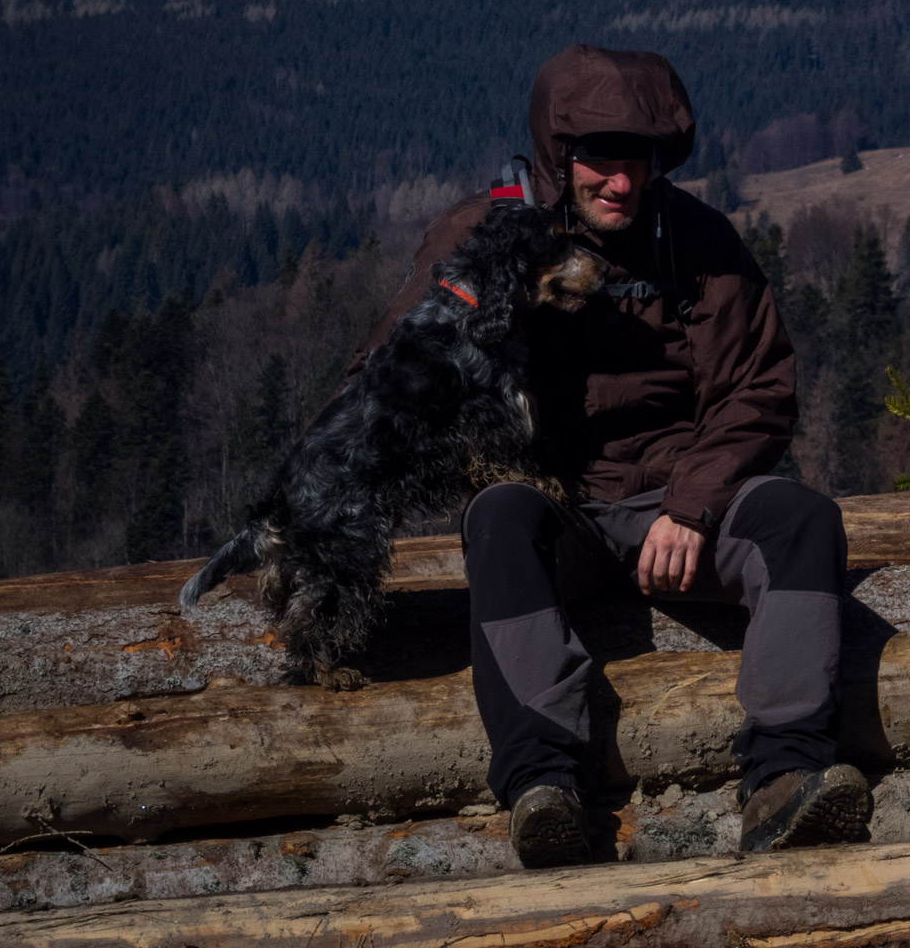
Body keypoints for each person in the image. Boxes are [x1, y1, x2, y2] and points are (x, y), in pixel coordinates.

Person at [357, 44, 870, 866]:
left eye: (636, 162)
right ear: (559, 156)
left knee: (804, 518)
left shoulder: (698, 244)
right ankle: (542, 787)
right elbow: (391, 368)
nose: (620, 182)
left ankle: (784, 779)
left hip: (679, 498)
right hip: (556, 507)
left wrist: (691, 503)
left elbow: (760, 388)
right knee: (496, 518)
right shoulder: (487, 235)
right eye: (599, 161)